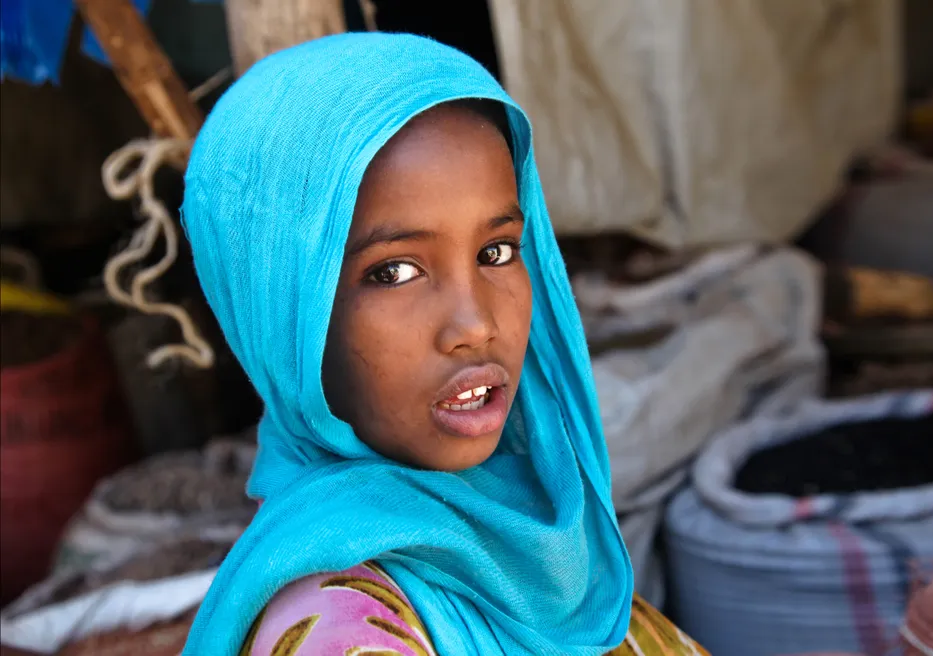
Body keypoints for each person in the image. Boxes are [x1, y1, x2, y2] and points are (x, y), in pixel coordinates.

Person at [180, 33, 707, 655]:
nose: (476, 325)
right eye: (395, 272)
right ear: (284, 311)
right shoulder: (341, 631)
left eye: (497, 252)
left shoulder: (538, 544)